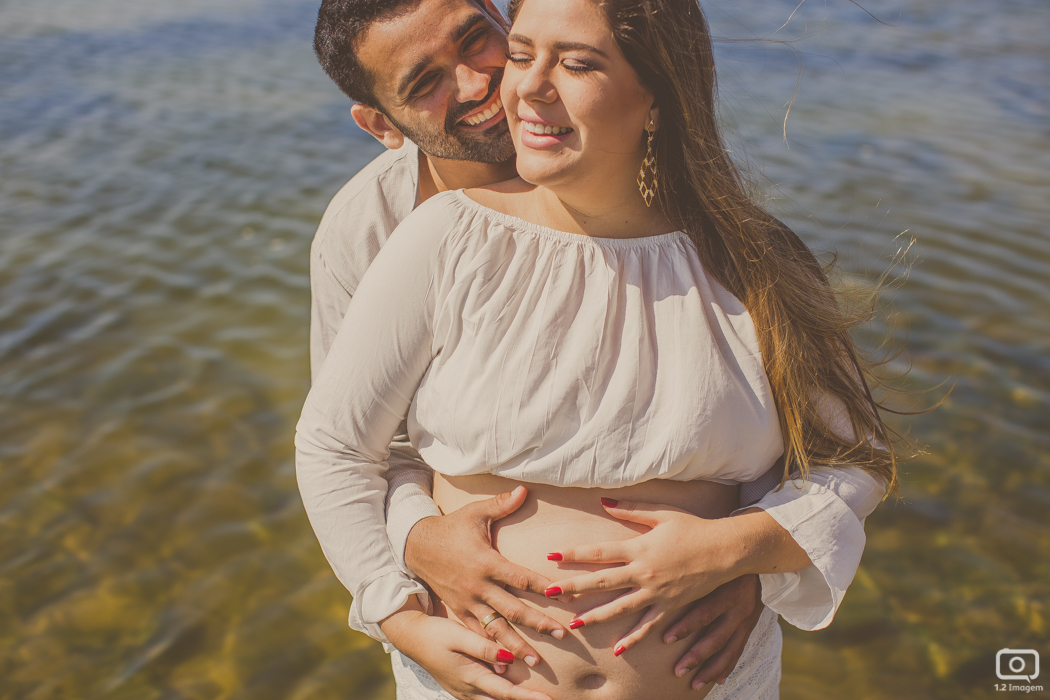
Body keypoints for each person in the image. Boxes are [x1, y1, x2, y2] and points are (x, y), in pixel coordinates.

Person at [300, 0, 893, 698]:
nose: (490, 85)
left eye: (484, 43)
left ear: (658, 91)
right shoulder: (400, 236)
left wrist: (748, 556)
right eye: (424, 82)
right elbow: (345, 447)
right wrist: (404, 583)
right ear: (380, 124)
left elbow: (845, 457)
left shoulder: (749, 259)